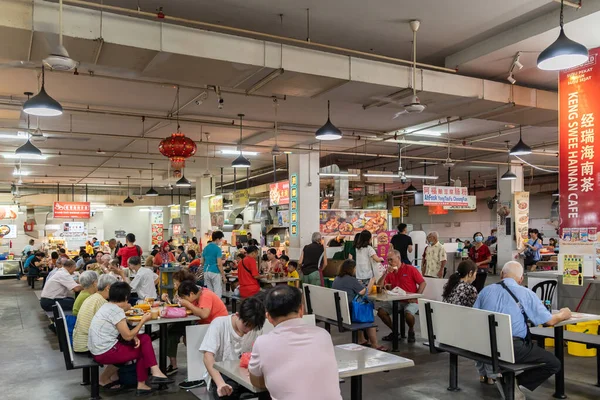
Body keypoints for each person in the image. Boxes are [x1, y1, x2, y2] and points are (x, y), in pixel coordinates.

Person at [475, 262, 571, 399]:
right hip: (512, 347)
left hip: (485, 346)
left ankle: (508, 382)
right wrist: (564, 314)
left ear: (502, 274)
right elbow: (549, 321)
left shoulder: (485, 291)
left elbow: (474, 316)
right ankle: (512, 383)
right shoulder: (526, 293)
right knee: (553, 363)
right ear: (521, 279)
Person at [249, 285, 342, 400]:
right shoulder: (323, 335)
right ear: (301, 310)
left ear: (268, 317)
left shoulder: (262, 343)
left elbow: (256, 381)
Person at [88, 282, 174, 396]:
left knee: (144, 339)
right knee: (143, 349)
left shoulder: (107, 306)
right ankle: (145, 382)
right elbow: (127, 336)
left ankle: (154, 373)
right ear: (125, 297)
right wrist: (143, 320)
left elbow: (124, 333)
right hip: (106, 352)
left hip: (97, 349)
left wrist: (134, 335)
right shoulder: (116, 311)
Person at [200, 296, 266, 399]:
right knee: (228, 390)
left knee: (268, 389)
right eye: (246, 325)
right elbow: (207, 357)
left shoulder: (255, 330)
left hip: (245, 375)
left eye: (252, 327)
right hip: (221, 376)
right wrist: (220, 383)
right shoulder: (219, 324)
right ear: (237, 315)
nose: (249, 330)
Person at [169, 281, 229, 382]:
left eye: (184, 297)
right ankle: (198, 369)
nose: (184, 300)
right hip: (208, 324)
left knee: (190, 338)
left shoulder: (205, 295)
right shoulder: (198, 295)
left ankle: (200, 373)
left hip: (218, 326)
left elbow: (204, 314)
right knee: (180, 333)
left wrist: (188, 304)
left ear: (191, 294)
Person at [72, 274, 120, 389]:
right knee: (126, 346)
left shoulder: (92, 297)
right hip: (86, 345)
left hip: (79, 341)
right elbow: (115, 324)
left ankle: (114, 376)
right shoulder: (101, 302)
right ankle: (104, 379)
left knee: (116, 340)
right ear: (108, 288)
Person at [332, 259, 386, 350]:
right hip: (349, 313)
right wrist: (372, 282)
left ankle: (361, 339)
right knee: (368, 315)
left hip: (339, 312)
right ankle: (375, 344)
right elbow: (365, 292)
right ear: (351, 269)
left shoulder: (337, 279)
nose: (355, 270)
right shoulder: (351, 280)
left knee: (359, 309)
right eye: (355, 268)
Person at [376, 250, 426, 343]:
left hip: (410, 300)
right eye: (388, 260)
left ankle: (411, 330)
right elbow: (379, 285)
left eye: (391, 259)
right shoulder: (390, 272)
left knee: (408, 313)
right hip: (396, 300)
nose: (389, 262)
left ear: (398, 258)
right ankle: (395, 331)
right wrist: (385, 273)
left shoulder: (410, 269)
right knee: (381, 311)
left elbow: (422, 283)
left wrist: (416, 297)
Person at [202, 231, 226, 298]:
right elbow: (219, 264)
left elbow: (202, 262)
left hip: (206, 271)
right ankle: (217, 307)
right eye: (221, 239)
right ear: (217, 239)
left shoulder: (205, 248)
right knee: (217, 292)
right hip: (215, 272)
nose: (221, 241)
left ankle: (210, 307)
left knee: (209, 292)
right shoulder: (217, 249)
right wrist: (223, 276)